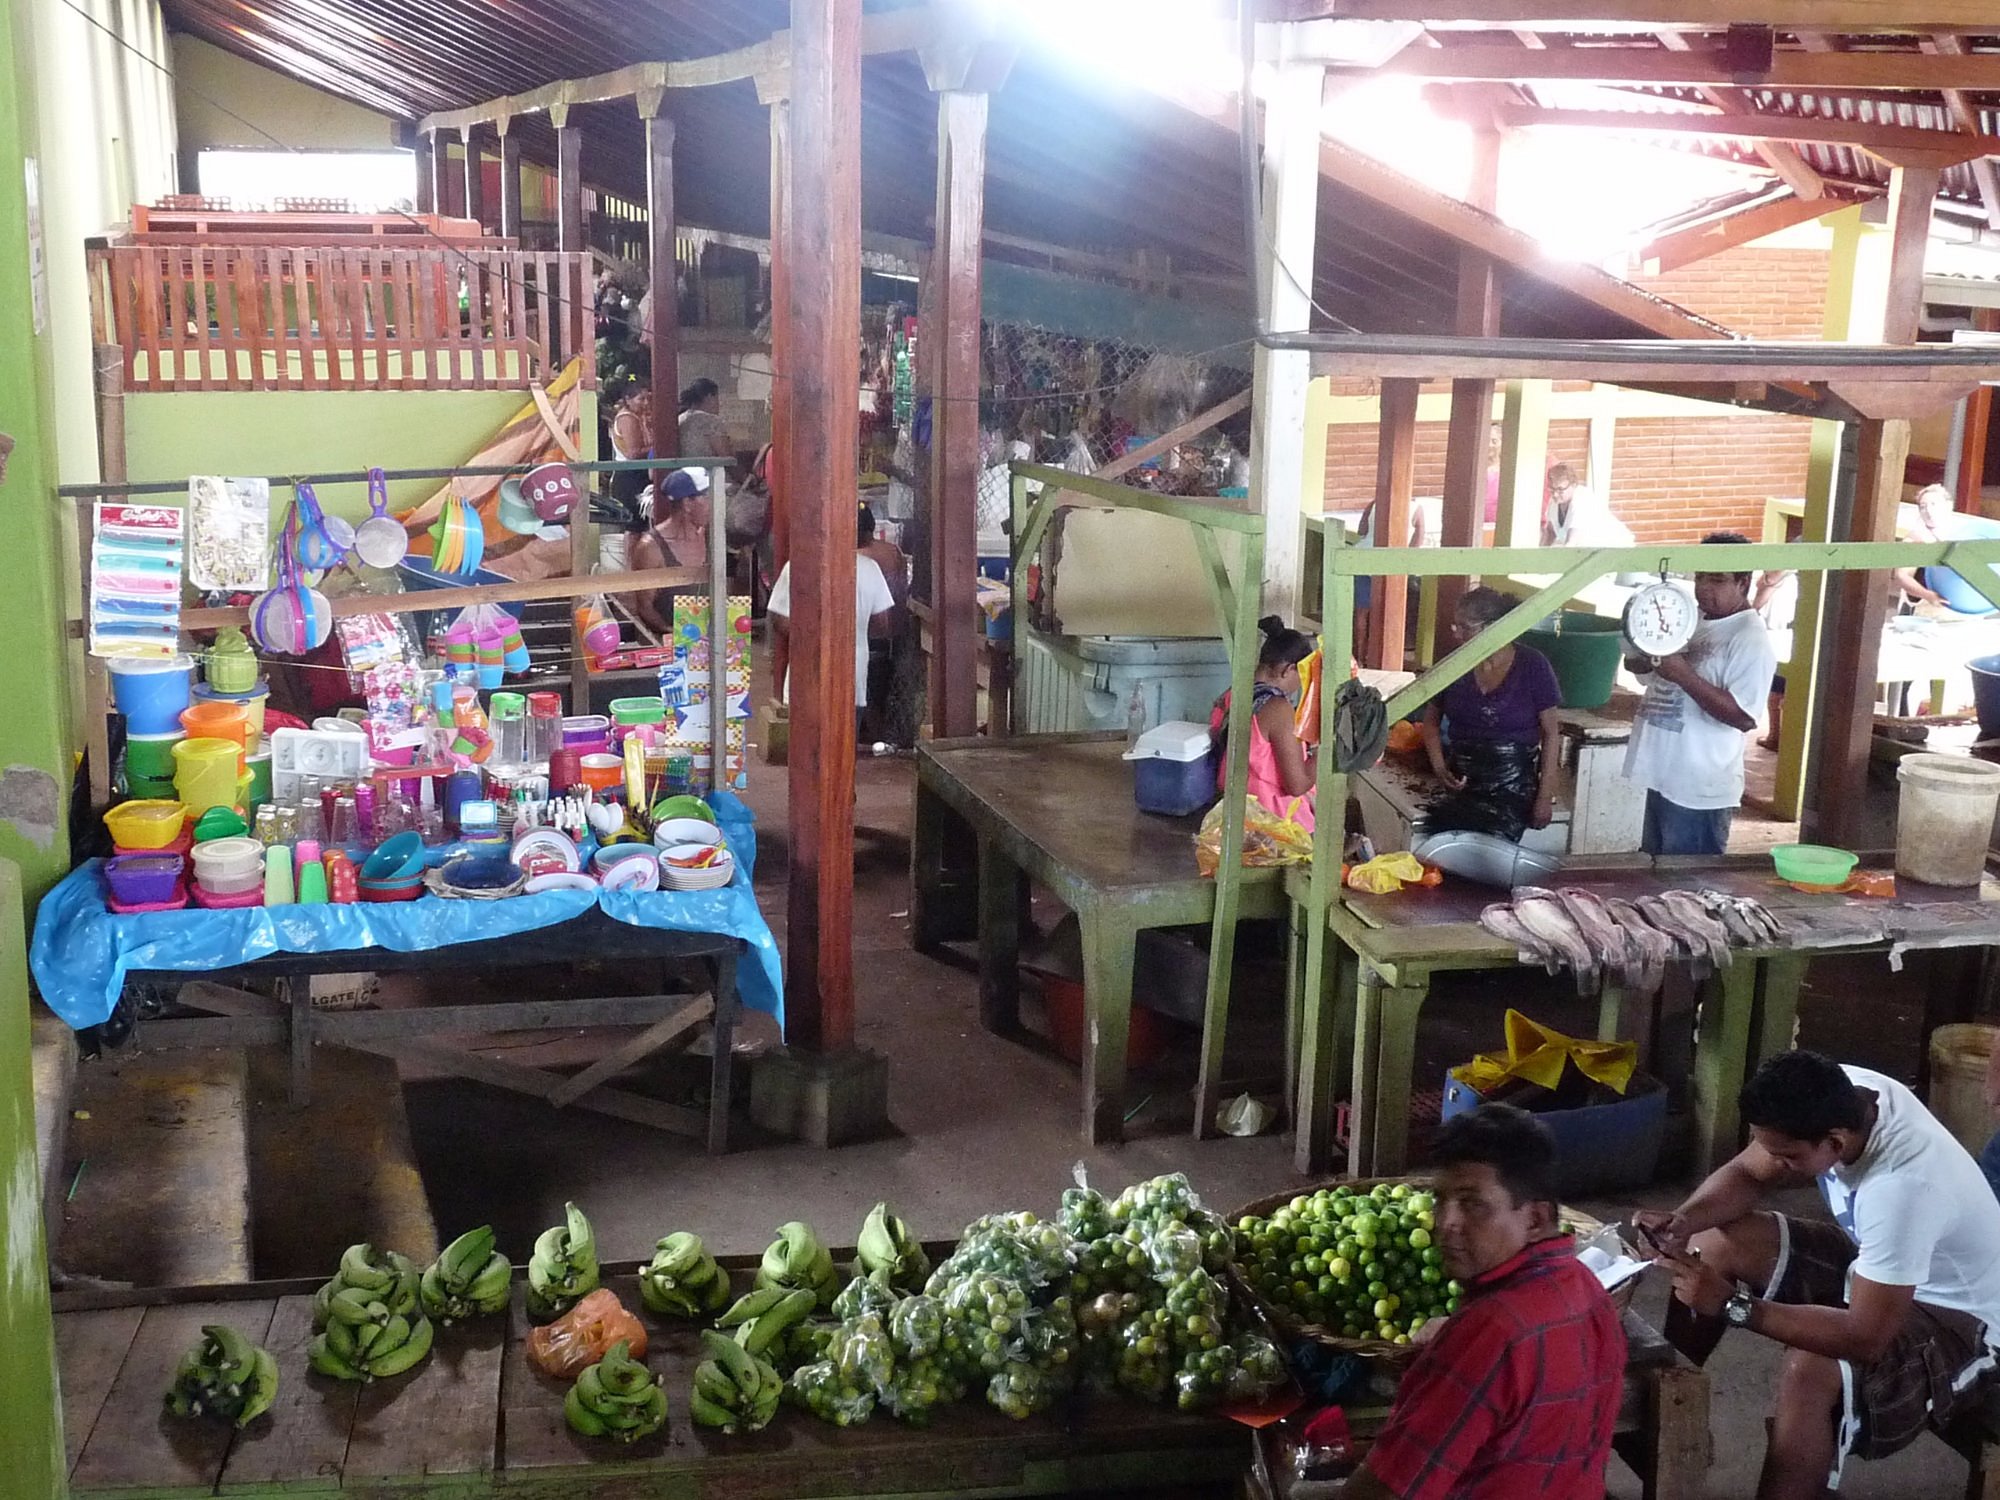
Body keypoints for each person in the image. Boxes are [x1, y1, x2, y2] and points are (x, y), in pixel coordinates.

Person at [1638, 1050, 2000, 1500]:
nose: (1775, 1162)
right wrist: (1683, 1221)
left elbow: (1866, 1337)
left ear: (1835, 1142)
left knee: (1810, 1371)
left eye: (1788, 1156)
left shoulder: (1903, 1189)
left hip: (1969, 1324)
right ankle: (1673, 1415)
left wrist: (1733, 1305)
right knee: (1713, 1243)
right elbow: (1749, 1172)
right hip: (1887, 1264)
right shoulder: (1839, 1090)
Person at [1336, 1104, 1625, 1500]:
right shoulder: (1587, 1288)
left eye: (1472, 1204)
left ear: (1535, 1219)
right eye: (1440, 1201)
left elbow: (1387, 1492)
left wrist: (1459, 1348)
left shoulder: (1490, 1334)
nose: (1446, 1222)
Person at [1622, 533, 1777, 857]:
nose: (1704, 587)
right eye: (1700, 577)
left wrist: (1683, 674)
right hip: (1662, 777)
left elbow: (1744, 717)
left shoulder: (1750, 638)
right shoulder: (1688, 618)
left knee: (1689, 881)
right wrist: (1642, 653)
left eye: (1717, 580)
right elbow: (1646, 672)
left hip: (1698, 791)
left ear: (1743, 583)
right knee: (1654, 876)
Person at [1418, 587, 1563, 841]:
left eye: (1465, 627)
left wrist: (1544, 797)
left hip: (1513, 788)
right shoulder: (1454, 663)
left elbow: (1551, 733)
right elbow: (1430, 722)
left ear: (1492, 627)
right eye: (1456, 626)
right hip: (1462, 781)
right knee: (1442, 845)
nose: (1457, 634)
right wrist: (1440, 768)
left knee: (1492, 844)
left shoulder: (1533, 665)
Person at [766, 504, 897, 734]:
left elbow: (778, 619)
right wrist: (855, 630)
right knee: (844, 746)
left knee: (803, 746)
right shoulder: (871, 570)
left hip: (804, 681)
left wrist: (812, 634)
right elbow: (881, 625)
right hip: (852, 681)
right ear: (865, 536)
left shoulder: (797, 566)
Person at [1208, 616, 1316, 830]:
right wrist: (1324, 748)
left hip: (1233, 814)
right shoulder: (1278, 709)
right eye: (1303, 675)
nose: (1302, 684)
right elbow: (1297, 785)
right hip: (1274, 824)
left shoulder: (1230, 696)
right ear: (1288, 670)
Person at [625, 469, 711, 638]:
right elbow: (645, 607)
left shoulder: (710, 537)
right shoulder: (651, 548)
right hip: (671, 642)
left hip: (710, 641)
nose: (714, 504)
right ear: (687, 503)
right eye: (708, 497)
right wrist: (675, 634)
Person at [1542, 462, 1634, 549]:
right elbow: (1550, 532)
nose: (1555, 494)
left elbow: (1571, 542)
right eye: (1552, 489)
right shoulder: (1554, 502)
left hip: (1615, 547)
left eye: (1560, 489)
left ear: (1573, 485)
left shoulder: (1582, 499)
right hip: (1592, 550)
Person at [677, 378, 731, 461]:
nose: (719, 404)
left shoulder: (680, 419)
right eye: (717, 399)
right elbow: (727, 458)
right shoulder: (712, 422)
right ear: (710, 397)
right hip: (707, 469)